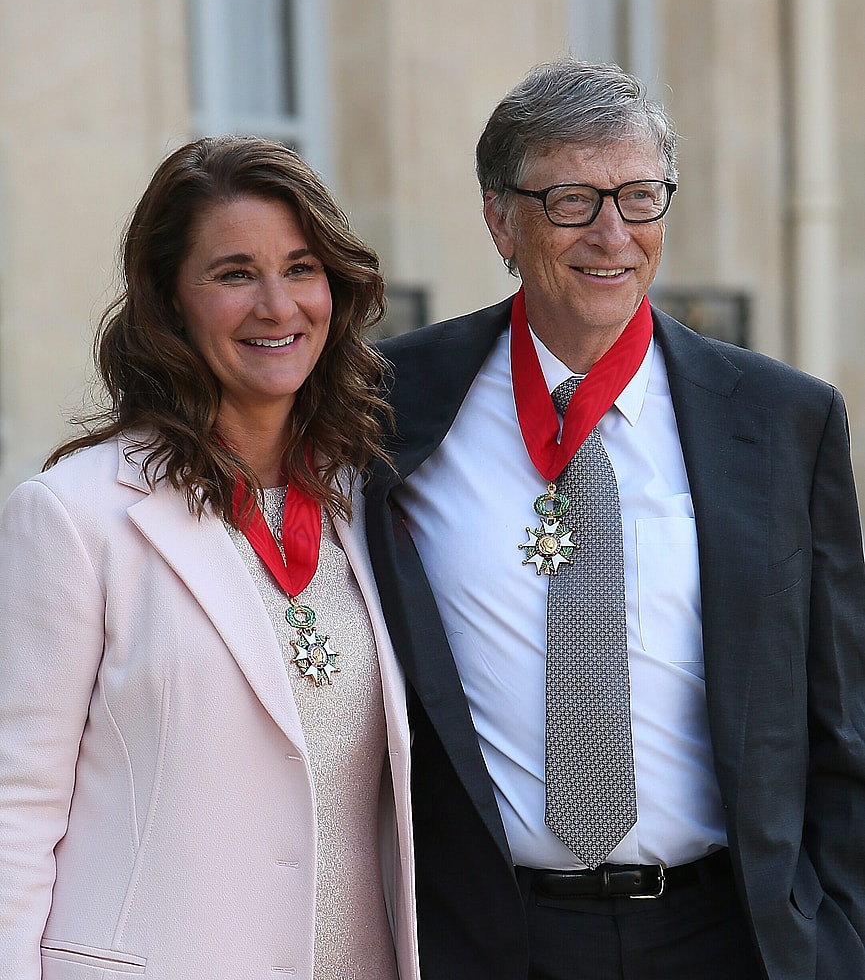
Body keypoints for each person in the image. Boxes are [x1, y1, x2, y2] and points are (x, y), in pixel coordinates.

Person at [364, 59, 865, 980]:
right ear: (499, 219)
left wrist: (836, 935)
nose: (612, 235)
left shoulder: (780, 418)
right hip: (487, 936)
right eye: (570, 201)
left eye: (639, 197)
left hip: (730, 933)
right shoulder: (387, 409)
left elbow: (839, 715)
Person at [0, 136, 420, 980]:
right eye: (234, 274)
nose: (277, 305)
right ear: (170, 302)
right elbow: (13, 811)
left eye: (301, 269)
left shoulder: (371, 504)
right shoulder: (73, 519)